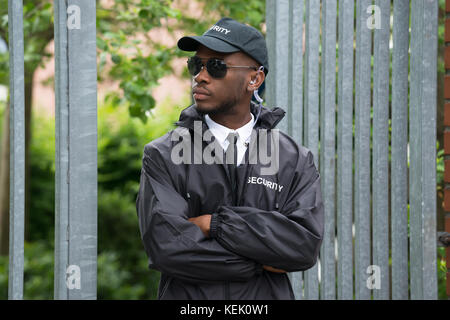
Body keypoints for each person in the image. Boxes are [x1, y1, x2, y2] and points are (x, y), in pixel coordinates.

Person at [136, 17, 324, 300]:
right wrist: (261, 260)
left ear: (254, 79)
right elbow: (168, 248)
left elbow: (303, 247)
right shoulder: (163, 155)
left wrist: (215, 225)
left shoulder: (294, 159)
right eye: (196, 65)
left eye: (216, 66)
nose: (200, 75)